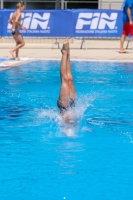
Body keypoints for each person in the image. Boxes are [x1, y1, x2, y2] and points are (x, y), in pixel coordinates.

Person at [57, 38, 76, 123]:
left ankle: (64, 53)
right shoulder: (71, 129)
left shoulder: (65, 127)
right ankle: (67, 51)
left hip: (64, 106)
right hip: (71, 105)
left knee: (64, 79)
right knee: (69, 78)